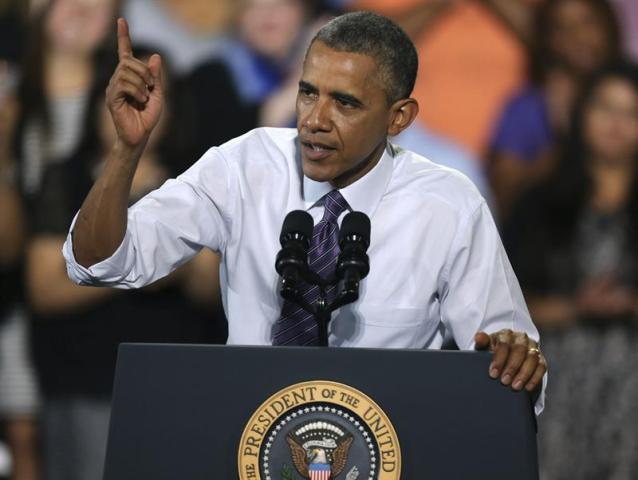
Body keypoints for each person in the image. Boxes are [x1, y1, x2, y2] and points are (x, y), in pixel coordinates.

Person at [64, 12, 547, 412]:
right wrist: (127, 151)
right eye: (309, 91)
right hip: (244, 437)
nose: (315, 120)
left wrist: (513, 358)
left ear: (399, 117)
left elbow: (510, 355)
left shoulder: (449, 206)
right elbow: (99, 262)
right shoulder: (244, 165)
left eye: (345, 103)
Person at [504, 62, 638, 478]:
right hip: (556, 383)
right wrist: (577, 307)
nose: (617, 124)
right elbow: (505, 307)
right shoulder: (538, 204)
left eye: (631, 112)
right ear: (581, 113)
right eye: (605, 108)